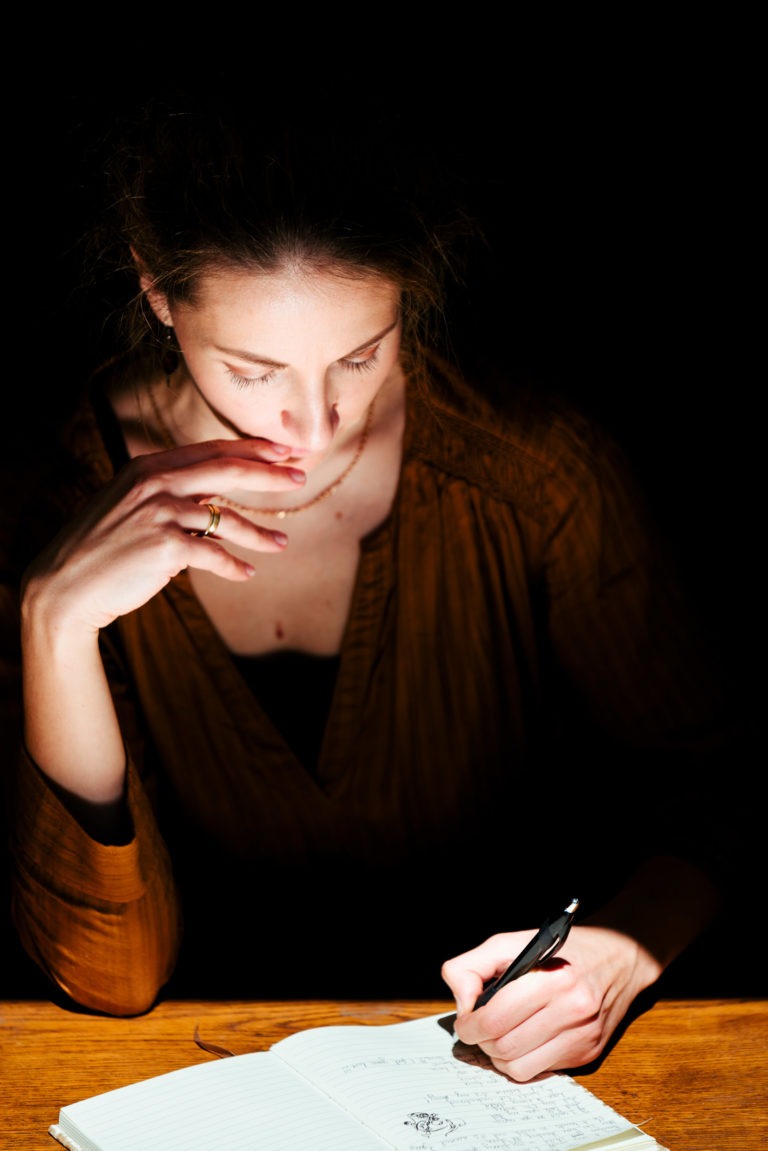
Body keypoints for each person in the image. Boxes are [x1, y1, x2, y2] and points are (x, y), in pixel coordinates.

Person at [0, 87, 749, 1083]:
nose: (313, 426)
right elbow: (106, 978)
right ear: (156, 294)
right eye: (254, 368)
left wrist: (618, 953)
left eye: (360, 354)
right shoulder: (45, 497)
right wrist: (54, 623)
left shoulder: (534, 474)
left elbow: (719, 788)